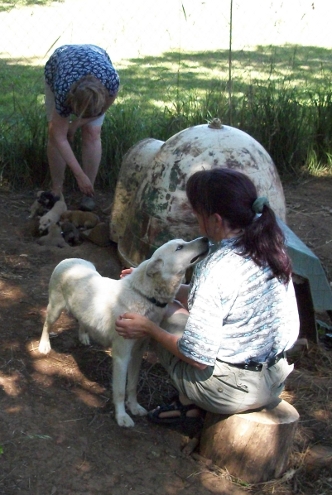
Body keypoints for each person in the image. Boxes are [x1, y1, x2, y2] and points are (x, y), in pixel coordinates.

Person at [115, 168, 300, 425]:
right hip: (274, 379)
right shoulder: (269, 243)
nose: (195, 218)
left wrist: (149, 327)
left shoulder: (216, 266)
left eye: (196, 213)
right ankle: (190, 401)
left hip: (230, 392)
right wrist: (153, 284)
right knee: (176, 307)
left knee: (166, 314)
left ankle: (187, 403)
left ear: (215, 220)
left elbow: (196, 357)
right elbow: (223, 300)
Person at [44, 44, 120, 211]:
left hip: (97, 58)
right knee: (56, 136)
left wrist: (77, 123)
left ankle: (88, 192)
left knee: (93, 132)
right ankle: (56, 190)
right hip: (61, 64)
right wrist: (79, 175)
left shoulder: (111, 82)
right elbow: (58, 135)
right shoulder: (63, 88)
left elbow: (100, 112)